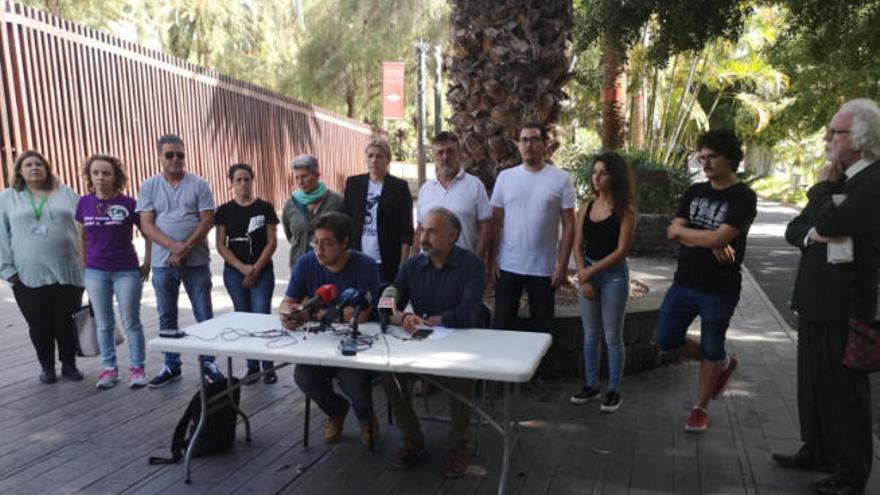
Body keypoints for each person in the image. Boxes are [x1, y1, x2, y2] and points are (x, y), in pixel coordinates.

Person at [776, 99, 879, 495]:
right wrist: (813, 232)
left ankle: (852, 471)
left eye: (834, 132)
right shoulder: (842, 181)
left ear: (860, 138)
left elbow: (832, 221)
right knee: (814, 383)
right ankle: (816, 448)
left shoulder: (872, 182)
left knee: (844, 392)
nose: (827, 139)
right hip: (816, 298)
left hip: (847, 303)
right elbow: (797, 227)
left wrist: (820, 188)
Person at [656, 128, 757, 433]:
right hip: (683, 282)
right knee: (665, 340)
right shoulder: (694, 192)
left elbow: (718, 236)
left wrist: (702, 237)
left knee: (711, 345)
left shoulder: (743, 197)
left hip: (720, 289)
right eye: (702, 157)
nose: (706, 163)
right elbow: (672, 232)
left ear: (730, 158)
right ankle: (722, 364)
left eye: (712, 156)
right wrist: (709, 240)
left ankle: (699, 408)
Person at [384, 207, 486, 477]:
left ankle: (457, 446)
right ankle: (412, 439)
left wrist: (430, 320)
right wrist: (403, 316)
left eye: (432, 231)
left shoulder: (472, 265)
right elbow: (387, 303)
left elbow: (468, 315)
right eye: (422, 229)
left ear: (452, 235)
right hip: (420, 343)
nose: (424, 237)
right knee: (387, 371)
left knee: (461, 375)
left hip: (461, 346)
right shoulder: (411, 265)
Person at [489, 121, 576, 399]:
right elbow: (495, 221)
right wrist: (492, 259)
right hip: (509, 266)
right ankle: (498, 378)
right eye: (524, 140)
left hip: (543, 269)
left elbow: (570, 224)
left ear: (545, 144)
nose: (529, 145)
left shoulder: (560, 179)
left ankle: (537, 376)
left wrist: (562, 265)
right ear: (518, 145)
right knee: (502, 323)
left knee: (542, 328)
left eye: (534, 140)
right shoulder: (506, 178)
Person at [279, 212, 380, 446]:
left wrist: (311, 313)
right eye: (316, 241)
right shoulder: (306, 262)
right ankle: (336, 411)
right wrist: (290, 315)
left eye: (327, 243)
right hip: (316, 345)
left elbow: (360, 315)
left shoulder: (365, 265)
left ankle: (366, 417)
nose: (319, 249)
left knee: (355, 383)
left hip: (355, 345)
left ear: (345, 243)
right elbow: (287, 302)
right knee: (303, 375)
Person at [136, 133, 223, 387]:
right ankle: (171, 365)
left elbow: (207, 219)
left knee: (204, 314)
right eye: (170, 155)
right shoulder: (149, 186)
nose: (176, 159)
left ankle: (209, 362)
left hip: (196, 261)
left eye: (180, 154)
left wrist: (185, 249)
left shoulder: (199, 184)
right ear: (160, 157)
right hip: (163, 263)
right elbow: (146, 224)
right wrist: (174, 247)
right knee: (167, 316)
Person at [0, 151, 84, 383]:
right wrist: (8, 271)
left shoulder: (65, 193)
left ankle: (69, 365)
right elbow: (0, 236)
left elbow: (87, 227)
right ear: (20, 171)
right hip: (28, 274)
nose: (34, 167)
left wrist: (89, 260)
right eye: (28, 164)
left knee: (67, 321)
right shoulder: (8, 197)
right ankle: (47, 367)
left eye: (39, 164)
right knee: (39, 324)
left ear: (47, 168)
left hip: (68, 270)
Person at [76, 154, 152, 389]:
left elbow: (148, 233)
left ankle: (137, 368)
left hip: (126, 271)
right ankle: (110, 369)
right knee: (104, 323)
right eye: (96, 173)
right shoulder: (84, 203)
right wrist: (84, 264)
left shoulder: (129, 203)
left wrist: (147, 263)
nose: (100, 177)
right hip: (96, 272)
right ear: (89, 176)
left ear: (115, 177)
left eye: (106, 173)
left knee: (131, 321)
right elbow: (81, 236)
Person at [568, 152, 636, 412]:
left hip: (615, 276)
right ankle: (591, 385)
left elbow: (622, 251)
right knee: (590, 334)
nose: (596, 177)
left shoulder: (625, 210)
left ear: (614, 176)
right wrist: (583, 274)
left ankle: (614, 389)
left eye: (603, 173)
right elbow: (577, 245)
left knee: (612, 336)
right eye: (594, 172)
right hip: (589, 272)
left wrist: (590, 272)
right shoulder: (586, 207)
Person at [215, 163, 280, 385]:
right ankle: (252, 367)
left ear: (253, 180)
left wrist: (255, 268)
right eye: (238, 180)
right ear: (231, 183)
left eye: (247, 179)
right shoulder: (224, 211)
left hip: (262, 272)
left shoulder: (265, 208)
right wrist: (242, 268)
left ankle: (268, 367)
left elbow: (272, 242)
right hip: (234, 273)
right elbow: (221, 245)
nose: (243, 184)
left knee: (261, 318)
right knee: (244, 318)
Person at [343, 137, 414, 285]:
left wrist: (403, 264)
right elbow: (345, 222)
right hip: (357, 258)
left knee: (383, 305)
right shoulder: (353, 184)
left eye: (379, 156)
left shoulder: (399, 188)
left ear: (388, 160)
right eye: (370, 156)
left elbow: (406, 230)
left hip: (387, 261)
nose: (374, 160)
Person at [413, 132, 491, 261]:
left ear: (459, 154)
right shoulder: (426, 189)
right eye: (440, 152)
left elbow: (486, 226)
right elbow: (420, 228)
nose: (445, 157)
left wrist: (478, 259)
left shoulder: (475, 185)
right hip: (427, 266)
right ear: (434, 156)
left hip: (463, 266)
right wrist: (413, 258)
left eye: (450, 151)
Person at [281, 154, 344, 269]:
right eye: (297, 177)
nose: (300, 181)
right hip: (299, 266)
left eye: (304, 176)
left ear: (317, 175)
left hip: (330, 267)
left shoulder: (336, 201)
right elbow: (290, 235)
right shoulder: (291, 204)